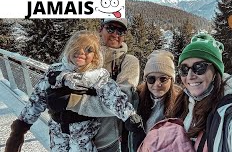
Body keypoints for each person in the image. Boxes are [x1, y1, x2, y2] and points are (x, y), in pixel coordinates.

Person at [5, 30, 140, 152]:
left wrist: (128, 115)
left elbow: (113, 97)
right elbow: (37, 101)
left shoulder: (96, 76)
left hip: (82, 135)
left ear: (95, 56)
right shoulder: (55, 72)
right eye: (77, 47)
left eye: (88, 50)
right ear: (69, 49)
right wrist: (20, 129)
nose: (81, 52)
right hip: (57, 132)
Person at [59, 18, 140, 152]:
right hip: (71, 137)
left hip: (106, 141)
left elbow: (122, 99)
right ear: (100, 29)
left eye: (120, 31)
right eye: (110, 28)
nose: (115, 34)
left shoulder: (128, 61)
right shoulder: (84, 55)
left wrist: (73, 101)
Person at [127, 50, 182, 151]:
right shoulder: (135, 100)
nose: (157, 84)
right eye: (151, 79)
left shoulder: (181, 103)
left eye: (163, 79)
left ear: (171, 80)